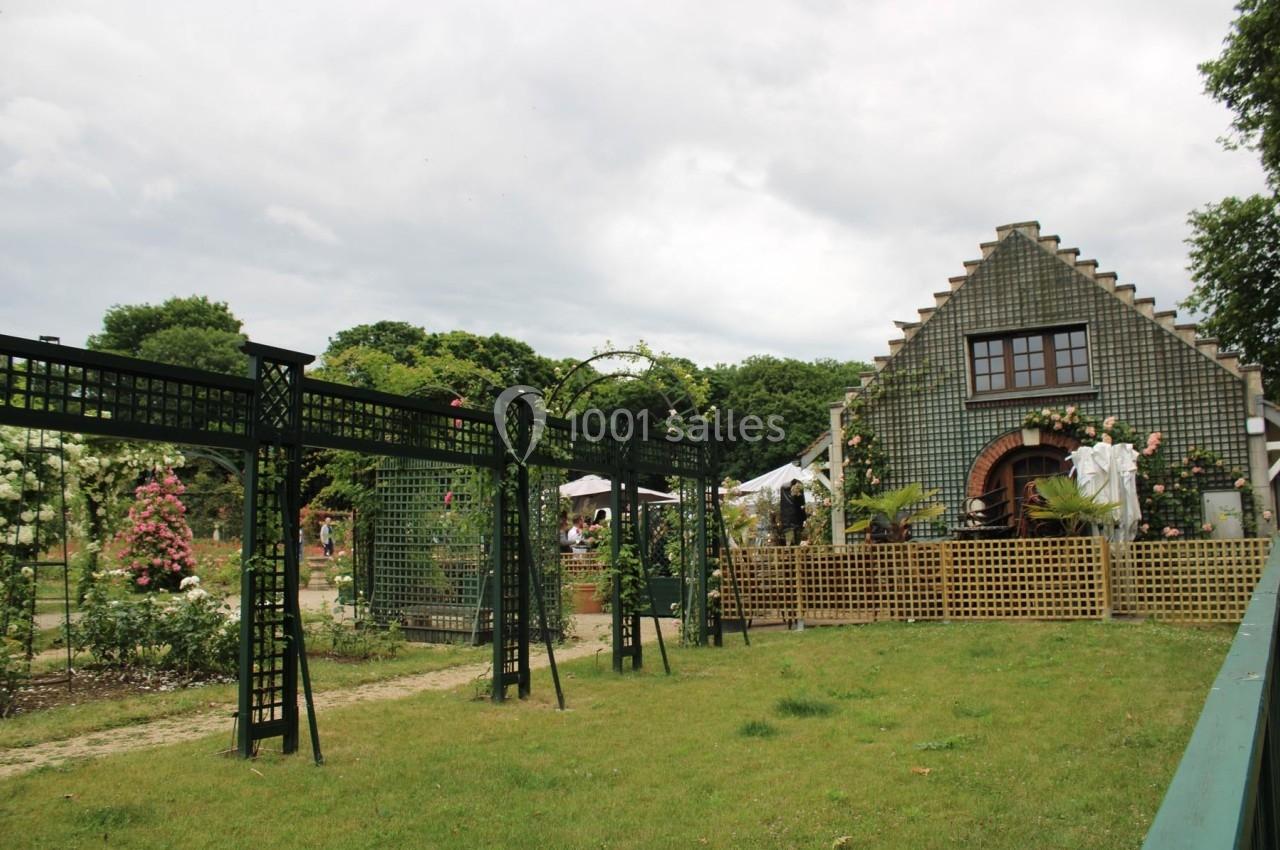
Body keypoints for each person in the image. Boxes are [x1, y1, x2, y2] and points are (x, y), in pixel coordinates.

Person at [779, 479, 806, 546]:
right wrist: (804, 518)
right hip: (797, 521)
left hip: (787, 523)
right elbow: (801, 505)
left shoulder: (784, 489)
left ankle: (790, 553)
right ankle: (794, 553)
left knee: (789, 542)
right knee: (796, 542)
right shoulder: (798, 494)